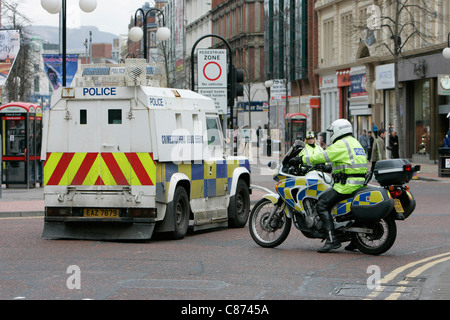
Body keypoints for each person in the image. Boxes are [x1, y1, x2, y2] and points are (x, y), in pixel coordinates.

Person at [299, 119, 367, 253]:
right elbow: (347, 162)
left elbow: (324, 155)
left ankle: (331, 239)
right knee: (346, 212)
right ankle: (355, 240)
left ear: (338, 130)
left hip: (346, 185)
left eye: (332, 131)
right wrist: (330, 167)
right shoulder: (354, 142)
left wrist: (300, 160)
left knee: (322, 204)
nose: (331, 135)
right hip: (357, 183)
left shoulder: (341, 144)